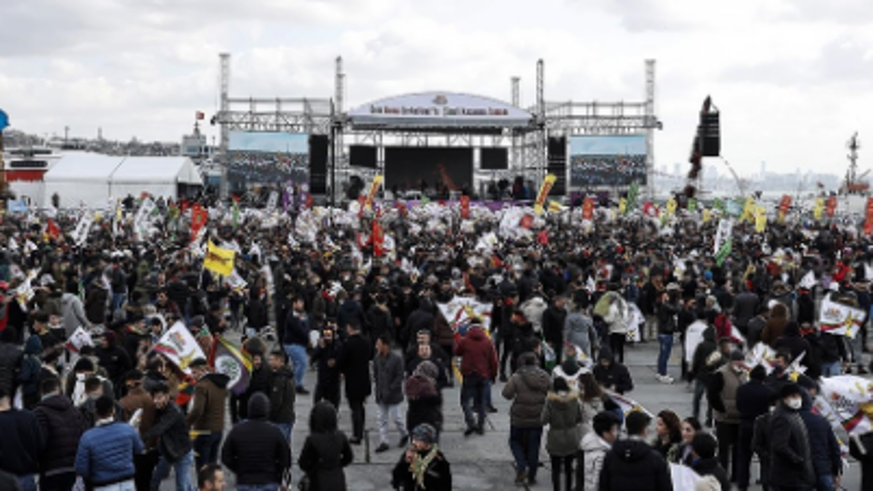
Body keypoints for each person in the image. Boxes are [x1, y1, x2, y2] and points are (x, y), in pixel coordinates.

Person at [221, 392, 292, 491]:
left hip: (245, 480)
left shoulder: (237, 430)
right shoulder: (275, 431)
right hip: (269, 480)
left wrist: (238, 469)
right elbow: (286, 458)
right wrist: (277, 472)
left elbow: (226, 456)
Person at [503, 351, 552, 486]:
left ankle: (521, 466)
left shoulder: (516, 377)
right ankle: (532, 476)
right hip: (537, 416)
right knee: (534, 445)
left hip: (519, 417)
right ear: (536, 362)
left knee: (514, 441)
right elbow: (552, 391)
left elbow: (506, 394)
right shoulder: (544, 376)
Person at [75, 395, 144, 490]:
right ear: (113, 410)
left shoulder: (87, 437)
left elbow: (81, 469)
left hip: (103, 485)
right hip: (127, 483)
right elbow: (139, 449)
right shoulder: (128, 429)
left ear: (96, 412)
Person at [598, 411, 673, 491]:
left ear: (627, 429)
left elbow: (603, 486)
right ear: (644, 431)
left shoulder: (611, 456)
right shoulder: (655, 459)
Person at [33, 377, 86, 491]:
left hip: (51, 470)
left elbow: (39, 442)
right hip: (74, 468)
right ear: (58, 390)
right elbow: (83, 435)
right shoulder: (74, 410)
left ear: (41, 392)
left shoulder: (40, 412)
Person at [143, 381, 195, 491]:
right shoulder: (160, 409)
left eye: (159, 398)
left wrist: (141, 438)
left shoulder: (173, 411)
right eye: (154, 398)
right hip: (169, 451)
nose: (156, 401)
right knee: (156, 478)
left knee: (182, 485)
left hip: (181, 453)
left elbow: (159, 429)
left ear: (167, 396)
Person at [706, 349, 747, 481]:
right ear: (731, 361)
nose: (740, 363)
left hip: (739, 418)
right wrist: (723, 409)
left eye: (741, 361)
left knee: (737, 449)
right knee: (723, 449)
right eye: (737, 361)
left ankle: (735, 475)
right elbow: (712, 395)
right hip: (724, 418)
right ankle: (723, 475)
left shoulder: (744, 374)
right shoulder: (721, 374)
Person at [797, 379, 842, 491]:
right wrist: (836, 470)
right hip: (822, 469)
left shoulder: (787, 421)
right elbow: (834, 448)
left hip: (798, 473)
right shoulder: (821, 421)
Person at [769, 383, 816, 491]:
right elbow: (780, 446)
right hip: (788, 476)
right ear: (784, 398)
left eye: (799, 396)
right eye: (793, 396)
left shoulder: (793, 414)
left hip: (796, 475)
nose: (797, 399)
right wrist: (798, 461)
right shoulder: (782, 417)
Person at [298, 401, 354, 491]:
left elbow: (302, 463)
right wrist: (337, 464)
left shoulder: (312, 439)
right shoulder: (341, 436)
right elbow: (349, 458)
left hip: (318, 482)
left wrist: (313, 467)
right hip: (338, 480)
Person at [454, 322, 498, 436]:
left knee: (465, 401)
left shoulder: (464, 341)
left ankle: (470, 422)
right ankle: (481, 426)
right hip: (483, 374)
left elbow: (457, 352)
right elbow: (493, 361)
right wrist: (493, 375)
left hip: (469, 374)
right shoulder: (488, 342)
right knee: (481, 402)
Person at [186, 357, 229, 469]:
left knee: (202, 467)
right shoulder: (219, 383)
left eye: (194, 372)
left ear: (202, 370)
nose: (192, 376)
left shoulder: (201, 386)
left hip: (203, 430)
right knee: (212, 465)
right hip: (218, 429)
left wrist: (186, 423)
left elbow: (197, 410)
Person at [735, 364, 774, 491]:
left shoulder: (741, 389)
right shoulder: (768, 391)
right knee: (764, 456)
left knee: (744, 456)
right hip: (763, 426)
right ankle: (765, 482)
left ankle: (742, 483)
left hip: (745, 423)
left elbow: (738, 406)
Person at [541, 377, 583, 491]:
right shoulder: (574, 399)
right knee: (569, 468)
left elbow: (543, 419)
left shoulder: (550, 401)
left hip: (555, 437)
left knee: (555, 469)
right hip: (571, 436)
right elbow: (579, 417)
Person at [0, 386, 43, 491]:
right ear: (8, 399)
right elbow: (40, 445)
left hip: (4, 480)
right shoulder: (29, 417)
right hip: (28, 476)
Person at [337, 321, 372, 444]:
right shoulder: (366, 342)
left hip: (352, 380)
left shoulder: (348, 343)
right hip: (364, 379)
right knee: (361, 407)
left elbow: (341, 361)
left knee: (355, 408)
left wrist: (341, 370)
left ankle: (357, 434)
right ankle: (360, 430)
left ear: (349, 328)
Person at [373, 333, 409, 451]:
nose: (377, 346)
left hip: (393, 395)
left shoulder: (397, 359)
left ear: (385, 345)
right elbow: (376, 374)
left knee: (397, 417)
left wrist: (392, 388)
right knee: (382, 419)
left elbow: (399, 376)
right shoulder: (377, 358)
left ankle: (404, 433)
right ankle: (384, 441)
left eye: (379, 344)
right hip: (381, 394)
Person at [391, 423, 452, 491]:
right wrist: (406, 462)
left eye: (418, 440)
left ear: (427, 442)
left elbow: (446, 485)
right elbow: (396, 479)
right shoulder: (410, 454)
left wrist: (424, 472)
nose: (414, 442)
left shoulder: (438, 461)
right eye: (413, 439)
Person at [404, 361, 443, 441]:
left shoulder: (410, 382)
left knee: (416, 443)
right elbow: (437, 401)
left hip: (413, 418)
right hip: (429, 419)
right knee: (431, 445)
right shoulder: (429, 386)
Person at [581, 411, 619, 491]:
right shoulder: (602, 455)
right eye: (615, 429)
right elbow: (598, 483)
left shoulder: (589, 444)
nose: (617, 433)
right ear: (605, 433)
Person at [283, 295, 312, 394]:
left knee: (297, 364)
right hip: (293, 343)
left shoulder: (302, 314)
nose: (301, 305)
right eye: (299, 303)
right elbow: (299, 330)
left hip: (300, 343)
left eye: (302, 303)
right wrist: (308, 340)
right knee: (302, 363)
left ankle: (293, 383)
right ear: (294, 304)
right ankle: (296, 384)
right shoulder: (292, 316)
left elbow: (307, 326)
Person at [266, 349, 296, 443]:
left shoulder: (280, 379)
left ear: (280, 361)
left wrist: (269, 416)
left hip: (280, 419)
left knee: (279, 445)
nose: (269, 362)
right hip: (287, 417)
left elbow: (276, 402)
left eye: (272, 360)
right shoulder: (288, 375)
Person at [311, 323, 342, 409]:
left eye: (329, 334)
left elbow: (342, 357)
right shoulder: (321, 345)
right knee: (317, 400)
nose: (327, 337)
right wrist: (320, 348)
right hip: (322, 378)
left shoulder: (338, 345)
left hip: (334, 379)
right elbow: (313, 358)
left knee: (334, 401)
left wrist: (336, 362)